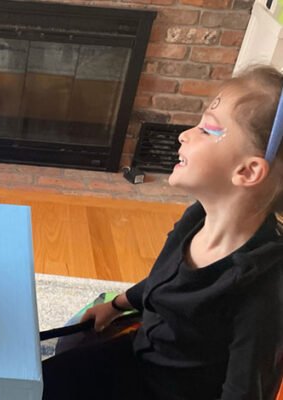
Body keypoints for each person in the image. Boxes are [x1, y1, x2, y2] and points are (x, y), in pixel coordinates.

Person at [42, 65, 283, 400]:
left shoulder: (262, 284)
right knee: (41, 382)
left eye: (208, 130)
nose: (185, 134)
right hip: (137, 358)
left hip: (172, 393)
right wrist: (116, 304)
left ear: (248, 170)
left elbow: (246, 388)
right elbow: (161, 281)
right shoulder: (195, 219)